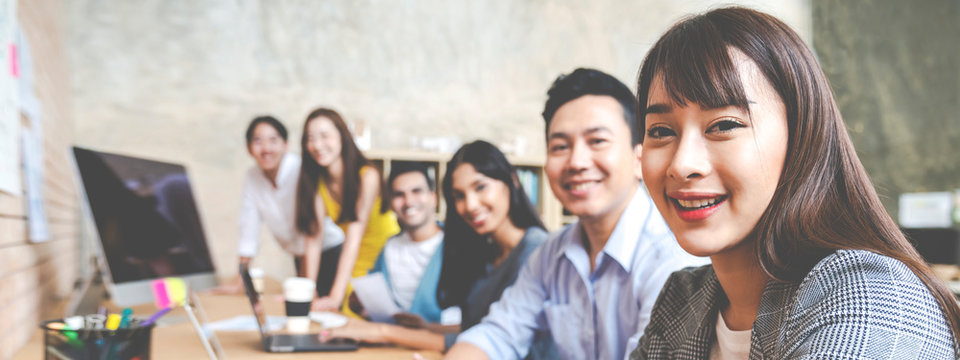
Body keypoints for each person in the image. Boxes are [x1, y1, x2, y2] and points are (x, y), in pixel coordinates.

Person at [632, 7, 960, 359]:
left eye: (724, 125)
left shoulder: (870, 295)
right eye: (661, 131)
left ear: (802, 134)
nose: (682, 165)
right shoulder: (683, 300)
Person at [446, 69, 707, 360]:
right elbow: (497, 335)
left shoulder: (675, 261)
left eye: (597, 141)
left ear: (639, 158)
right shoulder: (550, 256)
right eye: (560, 146)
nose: (577, 162)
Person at [324, 140, 556, 359]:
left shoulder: (535, 251)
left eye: (481, 187)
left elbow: (493, 341)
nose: (471, 205)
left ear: (512, 181)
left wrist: (383, 332)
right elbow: (477, 328)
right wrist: (427, 327)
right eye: (459, 196)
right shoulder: (486, 251)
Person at [212, 116, 344, 295]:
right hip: (299, 256)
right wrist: (240, 280)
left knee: (324, 308)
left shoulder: (301, 170)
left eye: (273, 140)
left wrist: (307, 283)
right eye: (258, 141)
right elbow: (248, 228)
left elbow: (310, 232)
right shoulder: (252, 177)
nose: (266, 148)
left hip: (329, 251)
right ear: (248, 148)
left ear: (286, 145)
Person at [294, 108, 400, 313]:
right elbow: (313, 240)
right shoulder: (318, 183)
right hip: (356, 260)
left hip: (386, 258)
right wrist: (308, 292)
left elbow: (354, 237)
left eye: (325, 136)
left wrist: (335, 297)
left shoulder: (367, 176)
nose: (317, 145)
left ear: (342, 136)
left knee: (352, 314)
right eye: (310, 138)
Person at [357, 162, 447, 322]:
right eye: (399, 195)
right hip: (392, 342)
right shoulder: (389, 248)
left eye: (416, 191)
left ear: (433, 197)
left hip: (440, 342)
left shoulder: (454, 246)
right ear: (391, 204)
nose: (408, 201)